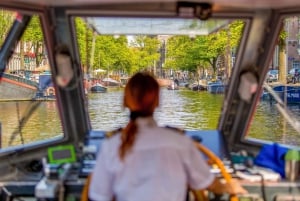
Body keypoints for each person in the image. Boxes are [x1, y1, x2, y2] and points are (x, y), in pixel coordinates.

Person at [88, 72, 247, 201]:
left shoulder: (111, 146)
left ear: (125, 101)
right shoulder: (180, 143)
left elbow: (98, 195)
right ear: (157, 101)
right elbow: (209, 184)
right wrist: (232, 186)